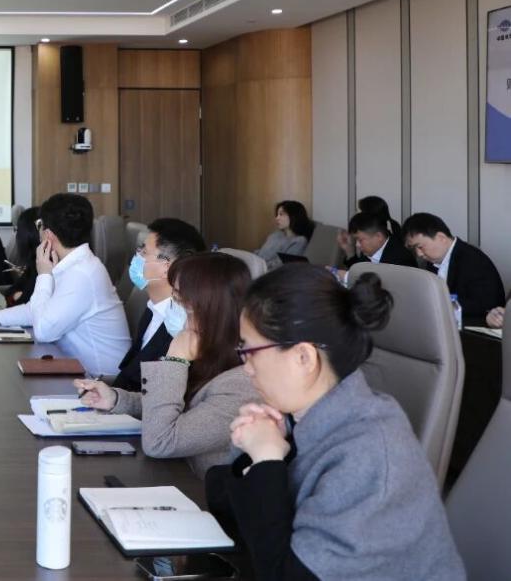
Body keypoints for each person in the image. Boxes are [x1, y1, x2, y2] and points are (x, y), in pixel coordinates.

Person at [204, 265, 464, 580]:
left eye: (249, 350)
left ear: (303, 357)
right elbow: (220, 498)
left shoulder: (369, 453)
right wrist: (257, 452)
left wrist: (268, 460)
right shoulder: (303, 417)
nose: (245, 366)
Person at [75, 252, 256, 476]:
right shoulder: (208, 354)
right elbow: (175, 406)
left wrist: (174, 360)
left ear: (211, 309)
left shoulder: (241, 385)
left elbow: (161, 441)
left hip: (197, 492)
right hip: (172, 478)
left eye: (180, 300)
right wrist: (116, 399)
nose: (173, 307)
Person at [0, 194, 129, 376]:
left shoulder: (82, 274)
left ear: (48, 235)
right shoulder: (73, 264)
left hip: (99, 381)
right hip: (75, 368)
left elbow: (43, 330)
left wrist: (44, 274)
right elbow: (34, 310)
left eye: (40, 225)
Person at [114, 218, 207, 392]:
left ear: (167, 267)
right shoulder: (153, 308)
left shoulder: (181, 325)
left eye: (144, 252)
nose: (136, 257)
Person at [402, 212, 506, 325]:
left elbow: (485, 307)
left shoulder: (473, 260)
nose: (419, 254)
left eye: (420, 247)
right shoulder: (432, 262)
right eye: (414, 249)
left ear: (441, 237)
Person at [337, 211, 417, 277]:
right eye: (356, 240)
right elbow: (359, 271)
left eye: (360, 240)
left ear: (378, 236)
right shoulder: (370, 250)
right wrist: (349, 251)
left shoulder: (401, 259)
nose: (357, 245)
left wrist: (347, 277)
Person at [255, 200, 314, 269]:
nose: (277, 218)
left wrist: (258, 266)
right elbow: (261, 251)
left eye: (281, 214)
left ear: (293, 216)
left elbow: (282, 264)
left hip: (265, 270)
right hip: (254, 263)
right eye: (277, 215)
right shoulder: (275, 234)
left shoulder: (299, 241)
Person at [3, 206, 40, 305]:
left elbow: (24, 301)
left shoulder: (42, 265)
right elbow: (10, 292)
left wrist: (16, 296)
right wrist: (15, 296)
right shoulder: (34, 262)